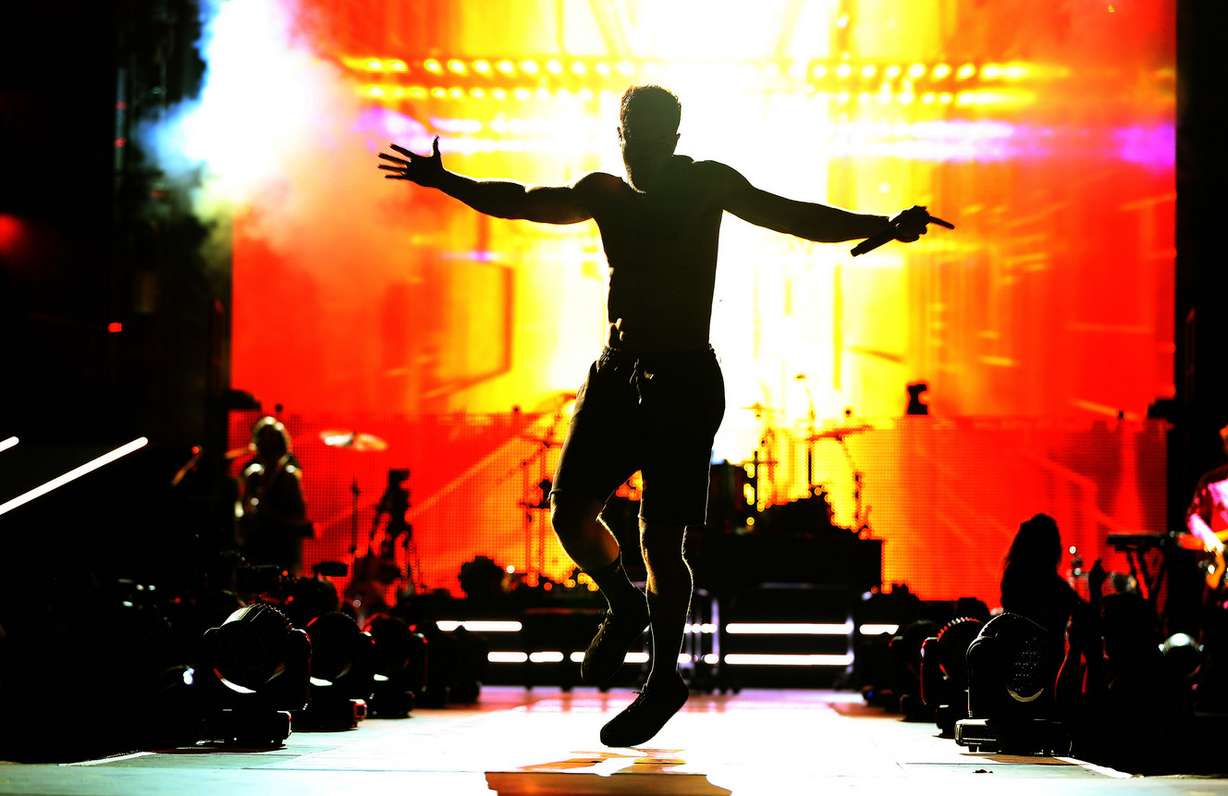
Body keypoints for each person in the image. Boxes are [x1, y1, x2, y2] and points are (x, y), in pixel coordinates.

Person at [379, 85, 938, 746]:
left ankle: (663, 677)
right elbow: (522, 201)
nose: (631, 147)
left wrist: (879, 224)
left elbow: (792, 215)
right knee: (568, 514)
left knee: (661, 540)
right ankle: (623, 602)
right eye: (624, 134)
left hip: (682, 379)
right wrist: (446, 181)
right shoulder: (605, 193)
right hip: (616, 375)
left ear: (670, 137)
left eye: (643, 136)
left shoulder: (705, 185)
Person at [239, 416, 312, 577]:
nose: (267, 447)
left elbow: (299, 518)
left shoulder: (289, 478)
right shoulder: (253, 476)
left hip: (281, 552)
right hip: (258, 549)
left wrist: (269, 516)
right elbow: (243, 510)